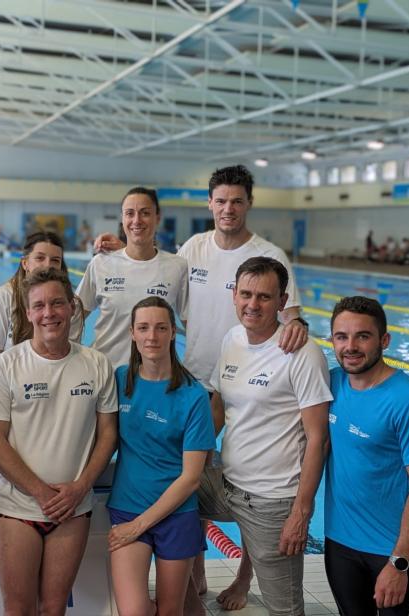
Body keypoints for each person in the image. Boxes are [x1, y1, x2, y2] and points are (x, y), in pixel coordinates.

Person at [96, 165, 309, 611]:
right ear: (210, 204)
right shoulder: (193, 248)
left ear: (248, 204)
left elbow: (288, 312)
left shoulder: (269, 253)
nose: (228, 209)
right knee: (187, 475)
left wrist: (299, 325)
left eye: (236, 201)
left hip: (248, 384)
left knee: (259, 486)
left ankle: (243, 576)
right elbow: (157, 269)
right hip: (194, 382)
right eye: (221, 201)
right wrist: (123, 250)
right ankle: (190, 569)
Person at [0, 268, 118, 615]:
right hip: (15, 508)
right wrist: (41, 492)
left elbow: (108, 435)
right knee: (18, 609)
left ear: (72, 307)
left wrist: (79, 488)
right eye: (39, 305)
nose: (49, 313)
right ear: (28, 313)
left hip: (73, 508)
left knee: (54, 609)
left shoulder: (97, 365)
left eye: (57, 303)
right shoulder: (6, 366)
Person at [201, 257, 331, 615]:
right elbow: (217, 407)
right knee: (163, 491)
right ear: (234, 295)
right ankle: (188, 592)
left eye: (263, 297)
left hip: (272, 501)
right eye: (246, 294)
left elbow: (318, 440)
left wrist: (300, 513)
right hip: (224, 483)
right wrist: (189, 462)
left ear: (282, 300)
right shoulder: (232, 338)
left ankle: (248, 575)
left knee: (284, 610)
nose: (252, 305)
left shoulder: (302, 354)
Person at [324, 296, 409, 616]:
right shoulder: (330, 384)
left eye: (363, 336)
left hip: (391, 553)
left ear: (384, 340)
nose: (350, 346)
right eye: (341, 336)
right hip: (340, 545)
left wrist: (399, 563)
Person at [107, 297, 214, 616]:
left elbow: (191, 478)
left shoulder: (193, 395)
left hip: (177, 513)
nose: (151, 336)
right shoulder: (119, 381)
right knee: (135, 611)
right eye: (143, 328)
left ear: (172, 333)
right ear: (132, 333)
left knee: (170, 611)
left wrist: (139, 525)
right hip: (127, 507)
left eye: (160, 328)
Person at [77, 187, 189, 368]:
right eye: (130, 213)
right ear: (122, 219)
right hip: (107, 375)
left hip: (154, 376)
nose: (137, 220)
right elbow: (74, 316)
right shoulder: (100, 264)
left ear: (157, 218)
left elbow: (190, 325)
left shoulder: (177, 267)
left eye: (145, 213)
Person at [0, 231, 83, 398]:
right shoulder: (2, 298)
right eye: (40, 258)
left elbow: (66, 358)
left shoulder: (70, 305)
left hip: (41, 390)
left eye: (55, 260)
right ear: (25, 263)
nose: (47, 265)